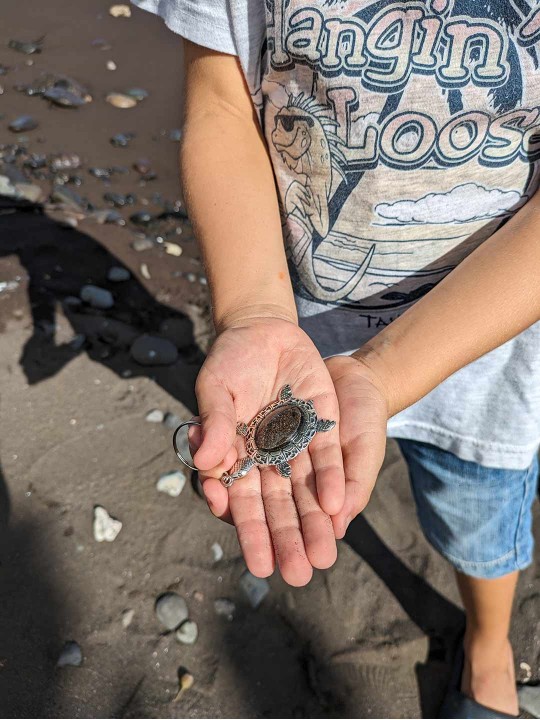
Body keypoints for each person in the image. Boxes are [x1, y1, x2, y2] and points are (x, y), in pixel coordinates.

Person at [134, 0, 540, 716]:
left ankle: (489, 640)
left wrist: (384, 374)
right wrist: (255, 313)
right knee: (300, 470)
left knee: (480, 516)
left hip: (488, 356)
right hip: (301, 328)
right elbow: (223, 107)